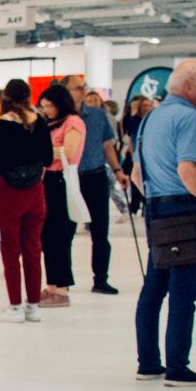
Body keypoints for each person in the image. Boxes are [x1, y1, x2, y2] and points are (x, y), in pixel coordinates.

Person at [133, 58, 196, 387]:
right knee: (184, 293)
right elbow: (187, 169)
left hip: (157, 208)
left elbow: (136, 174)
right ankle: (178, 367)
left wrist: (158, 198)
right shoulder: (189, 118)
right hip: (187, 210)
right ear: (189, 85)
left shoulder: (150, 118)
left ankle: (148, 363)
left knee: (154, 289)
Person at [0, 79, 52, 323]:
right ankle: (33, 306)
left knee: (11, 252)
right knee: (33, 249)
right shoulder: (39, 120)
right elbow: (48, 157)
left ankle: (15, 307)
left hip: (10, 193)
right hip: (35, 191)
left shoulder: (3, 123)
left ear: (6, 97)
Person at [69, 82, 125, 293]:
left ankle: (101, 279)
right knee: (65, 232)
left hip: (95, 175)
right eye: (77, 87)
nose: (82, 91)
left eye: (83, 87)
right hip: (70, 178)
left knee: (100, 232)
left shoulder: (98, 115)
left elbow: (107, 146)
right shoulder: (60, 117)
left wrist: (118, 170)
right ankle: (62, 281)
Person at [35, 82, 83, 308]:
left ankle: (62, 287)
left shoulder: (73, 122)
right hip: (47, 181)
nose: (47, 111)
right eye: (44, 107)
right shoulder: (50, 124)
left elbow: (69, 151)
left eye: (50, 106)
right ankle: (52, 284)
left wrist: (42, 149)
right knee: (47, 236)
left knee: (60, 235)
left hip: (61, 180)